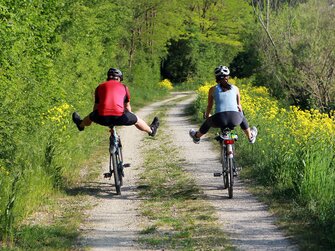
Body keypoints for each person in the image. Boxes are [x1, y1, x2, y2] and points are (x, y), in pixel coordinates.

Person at [72, 68, 159, 136]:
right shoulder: (124, 87)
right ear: (120, 79)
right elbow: (127, 107)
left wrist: (95, 118)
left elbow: (96, 107)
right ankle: (151, 130)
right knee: (137, 120)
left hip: (102, 118)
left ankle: (81, 125)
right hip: (121, 117)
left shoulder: (100, 87)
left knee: (89, 117)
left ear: (108, 77)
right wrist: (131, 116)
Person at [189, 65, 257, 144]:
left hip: (219, 119)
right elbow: (239, 107)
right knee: (241, 115)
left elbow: (210, 106)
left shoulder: (212, 89)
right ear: (227, 77)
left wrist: (207, 116)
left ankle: (197, 136)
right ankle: (250, 136)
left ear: (216, 78)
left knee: (208, 121)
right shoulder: (235, 88)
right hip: (235, 119)